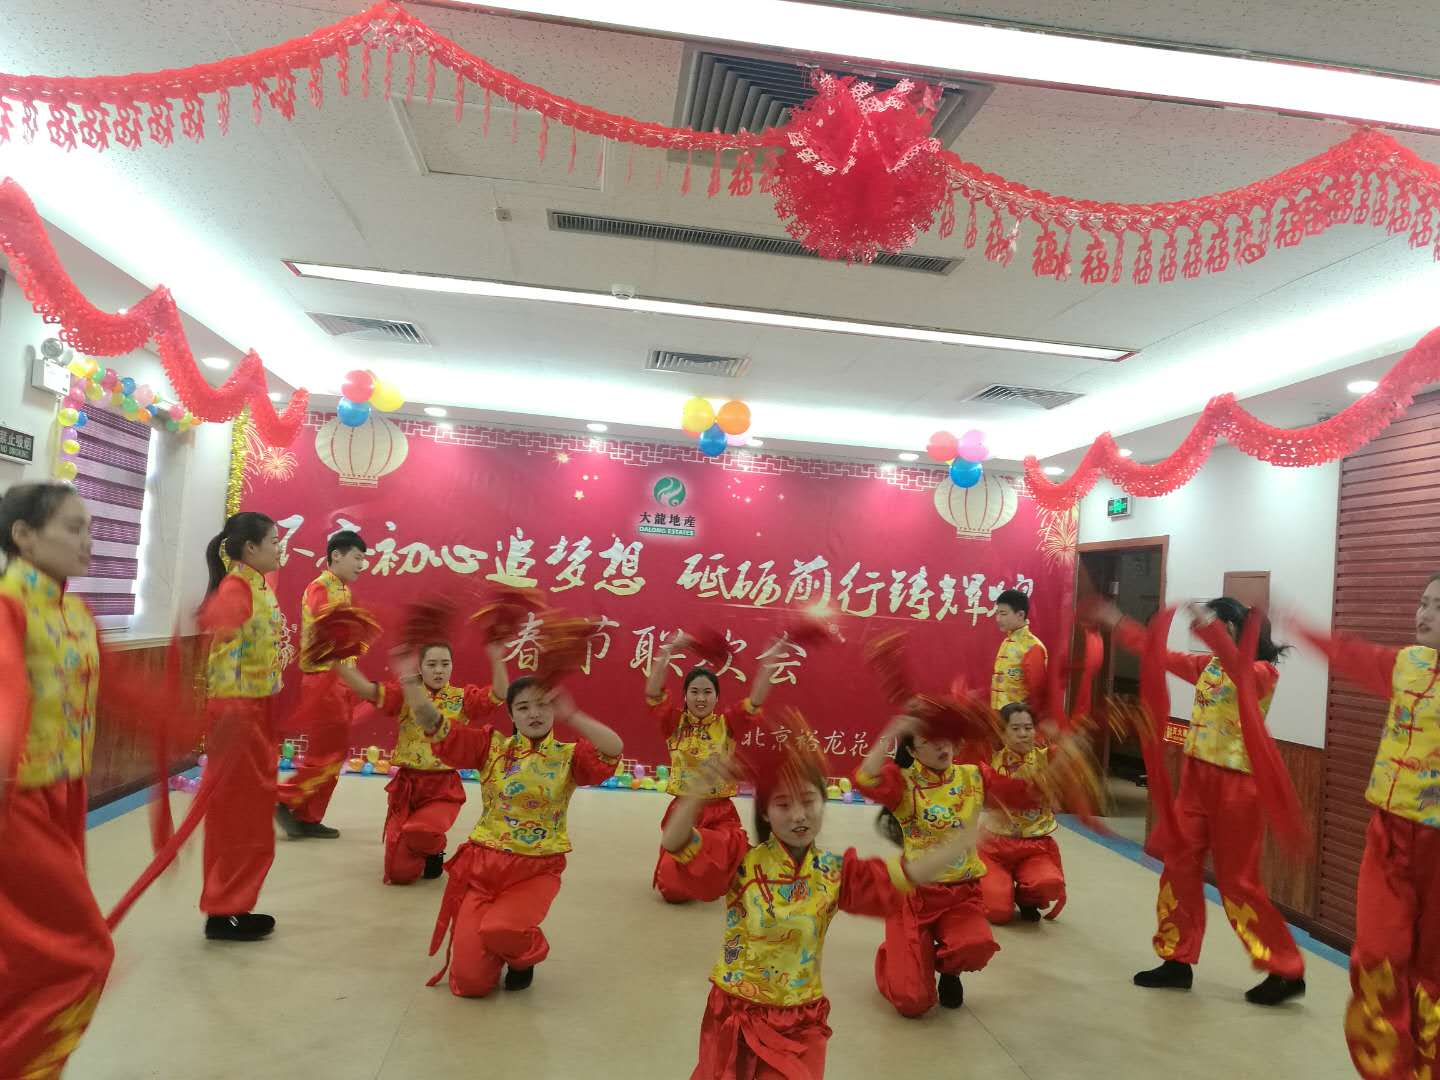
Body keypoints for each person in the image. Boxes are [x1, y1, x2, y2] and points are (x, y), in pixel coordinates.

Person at [657, 735, 982, 1079]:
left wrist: (958, 845)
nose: (799, 815)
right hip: (734, 1012)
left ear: (823, 803)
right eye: (783, 805)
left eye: (809, 801)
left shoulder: (834, 872)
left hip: (800, 1020)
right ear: (765, 812)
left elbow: (901, 876)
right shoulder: (741, 860)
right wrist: (698, 791)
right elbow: (675, 842)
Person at [1094, 596, 1306, 1005]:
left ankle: (1285, 968)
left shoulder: (1262, 673)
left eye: (1217, 624)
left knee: (1238, 883)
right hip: (1196, 780)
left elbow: (1238, 668)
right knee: (1177, 867)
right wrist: (1120, 623)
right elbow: (1158, 654)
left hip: (1238, 786)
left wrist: (1208, 624)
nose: (1206, 630)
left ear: (1233, 629)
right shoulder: (1207, 667)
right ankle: (1176, 959)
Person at [1291, 573, 1440, 1078]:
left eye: (1437, 606)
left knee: (1432, 974)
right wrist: (1303, 626)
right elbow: (1351, 654)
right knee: (1377, 955)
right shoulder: (1407, 665)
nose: (1423, 613)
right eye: (1422, 602)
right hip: (1390, 836)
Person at [0, 484, 112, 1077]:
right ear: (23, 536)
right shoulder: (8, 605)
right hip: (14, 799)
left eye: (89, 527)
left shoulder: (73, 611)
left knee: (29, 954)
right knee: (79, 955)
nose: (87, 540)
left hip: (64, 792)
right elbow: (6, 697)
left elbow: (119, 690)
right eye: (72, 528)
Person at [422, 672, 622, 997]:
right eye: (524, 707)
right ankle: (499, 946)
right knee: (469, 984)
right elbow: (442, 732)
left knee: (500, 928)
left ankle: (524, 954)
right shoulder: (491, 747)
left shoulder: (569, 756)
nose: (534, 713)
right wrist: (411, 686)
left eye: (542, 705)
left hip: (536, 870)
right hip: (482, 867)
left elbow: (613, 749)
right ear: (511, 715)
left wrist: (573, 715)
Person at [853, 710, 1044, 1017]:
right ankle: (899, 955)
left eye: (945, 739)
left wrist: (1064, 769)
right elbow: (864, 779)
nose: (942, 746)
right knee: (912, 1003)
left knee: (976, 946)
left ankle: (948, 970)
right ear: (913, 751)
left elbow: (1019, 794)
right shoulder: (903, 783)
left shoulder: (974, 776)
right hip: (916, 897)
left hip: (962, 895)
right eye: (929, 741)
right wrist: (895, 728)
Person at [338, 641, 508, 884]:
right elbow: (366, 690)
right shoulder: (405, 694)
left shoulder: (462, 698)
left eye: (445, 664)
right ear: (420, 667)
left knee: (420, 830)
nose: (439, 670)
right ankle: (421, 849)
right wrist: (336, 660)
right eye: (432, 664)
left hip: (443, 789)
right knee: (399, 875)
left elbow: (499, 694)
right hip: (407, 788)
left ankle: (435, 847)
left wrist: (496, 657)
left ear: (452, 666)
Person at [197, 511, 285, 942]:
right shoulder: (237, 589)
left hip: (254, 710)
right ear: (251, 547)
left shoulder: (256, 585)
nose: (279, 548)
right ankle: (224, 908)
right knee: (237, 814)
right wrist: (235, 717)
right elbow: (221, 654)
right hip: (238, 713)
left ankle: (232, 903)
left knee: (251, 812)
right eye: (274, 541)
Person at [644, 634, 777, 902]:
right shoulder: (673, 722)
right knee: (673, 891)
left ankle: (736, 860)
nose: (701, 698)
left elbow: (756, 700)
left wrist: (770, 661)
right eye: (694, 691)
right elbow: (653, 692)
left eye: (707, 692)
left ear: (716, 697)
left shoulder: (727, 724)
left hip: (720, 816)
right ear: (685, 696)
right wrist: (667, 650)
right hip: (684, 812)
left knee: (729, 876)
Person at [275, 529, 367, 840]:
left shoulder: (343, 590)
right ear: (336, 555)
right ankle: (285, 797)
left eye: (363, 559)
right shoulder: (320, 587)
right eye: (357, 557)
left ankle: (308, 817)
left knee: (334, 753)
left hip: (340, 680)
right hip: (325, 681)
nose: (361, 565)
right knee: (325, 752)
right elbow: (326, 625)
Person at [980, 702, 1066, 924]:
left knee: (1048, 883)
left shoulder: (1047, 758)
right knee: (997, 912)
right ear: (1002, 732)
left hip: (1034, 847)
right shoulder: (990, 760)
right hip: (995, 847)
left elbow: (1072, 757)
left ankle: (1026, 897)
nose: (1023, 734)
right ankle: (1000, 887)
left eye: (1028, 728)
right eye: (1015, 728)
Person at [991, 588, 1047, 713]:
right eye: (997, 613)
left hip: (1018, 719)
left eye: (1003, 614)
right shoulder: (1006, 643)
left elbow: (1037, 694)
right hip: (999, 718)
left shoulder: (1033, 647)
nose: (998, 619)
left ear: (1020, 615)